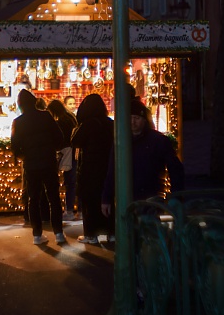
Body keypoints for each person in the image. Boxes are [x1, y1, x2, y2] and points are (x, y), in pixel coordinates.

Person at [101, 98, 185, 220]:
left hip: (150, 195)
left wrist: (176, 196)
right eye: (130, 118)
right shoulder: (120, 141)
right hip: (127, 196)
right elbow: (112, 171)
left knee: (149, 225)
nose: (133, 122)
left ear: (144, 120)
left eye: (136, 118)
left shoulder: (158, 140)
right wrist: (106, 198)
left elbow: (175, 168)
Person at [11, 89, 66, 246]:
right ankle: (59, 233)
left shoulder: (18, 122)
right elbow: (59, 137)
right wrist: (52, 150)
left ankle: (37, 234)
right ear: (34, 102)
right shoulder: (46, 116)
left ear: (20, 105)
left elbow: (15, 147)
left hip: (31, 165)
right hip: (48, 162)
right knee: (54, 198)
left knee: (33, 199)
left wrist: (25, 156)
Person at [71, 93, 114, 244]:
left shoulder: (87, 124)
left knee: (90, 202)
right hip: (108, 167)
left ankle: (91, 235)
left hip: (89, 169)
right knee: (108, 200)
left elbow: (75, 141)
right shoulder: (110, 123)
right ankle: (111, 232)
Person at [47, 98, 78, 220]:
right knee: (73, 182)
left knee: (70, 182)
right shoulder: (70, 117)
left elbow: (59, 139)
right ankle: (77, 210)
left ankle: (69, 210)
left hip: (67, 154)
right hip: (74, 152)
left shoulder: (61, 121)